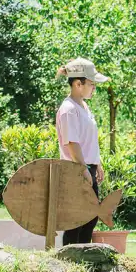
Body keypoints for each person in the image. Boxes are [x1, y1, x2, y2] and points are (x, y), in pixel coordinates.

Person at [55, 58, 110, 246]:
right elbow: (72, 143)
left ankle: (84, 260)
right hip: (76, 170)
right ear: (78, 83)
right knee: (76, 220)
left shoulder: (84, 107)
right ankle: (69, 260)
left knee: (90, 217)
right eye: (91, 84)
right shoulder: (69, 109)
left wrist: (97, 163)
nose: (94, 88)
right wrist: (84, 168)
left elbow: (87, 141)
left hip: (88, 168)